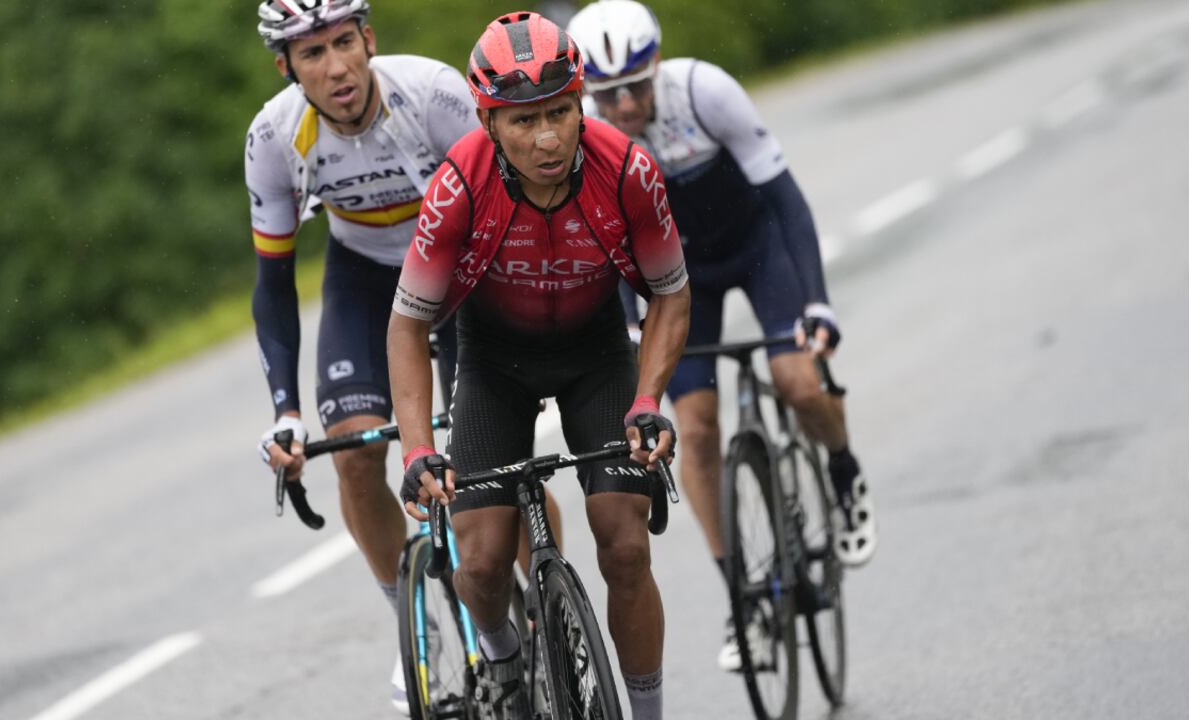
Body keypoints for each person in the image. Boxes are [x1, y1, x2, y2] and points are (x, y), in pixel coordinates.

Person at [387, 12, 690, 719]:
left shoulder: (627, 170)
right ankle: (500, 660)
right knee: (484, 564)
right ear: (489, 123)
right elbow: (408, 324)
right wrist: (419, 449)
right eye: (523, 122)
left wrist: (648, 400)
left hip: (597, 356)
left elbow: (670, 296)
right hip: (493, 365)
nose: (547, 138)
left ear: (581, 101)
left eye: (559, 112)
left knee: (624, 545)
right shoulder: (459, 186)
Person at [566, 0, 879, 671]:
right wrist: (626, 321)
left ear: (656, 69)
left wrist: (818, 302)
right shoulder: (590, 134)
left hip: (757, 247)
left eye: (635, 89)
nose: (623, 107)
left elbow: (786, 200)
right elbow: (608, 237)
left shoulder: (704, 91)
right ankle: (743, 597)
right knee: (696, 428)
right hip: (682, 280)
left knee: (796, 378)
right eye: (607, 95)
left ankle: (844, 468)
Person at [246, 0, 479, 712]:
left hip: (461, 268)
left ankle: (525, 608)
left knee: (481, 455)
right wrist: (285, 411)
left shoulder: (435, 94)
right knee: (351, 451)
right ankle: (415, 638)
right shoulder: (273, 136)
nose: (337, 66)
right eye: (312, 54)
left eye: (345, 42)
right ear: (287, 67)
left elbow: (511, 208)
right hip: (366, 280)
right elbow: (274, 282)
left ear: (368, 39)